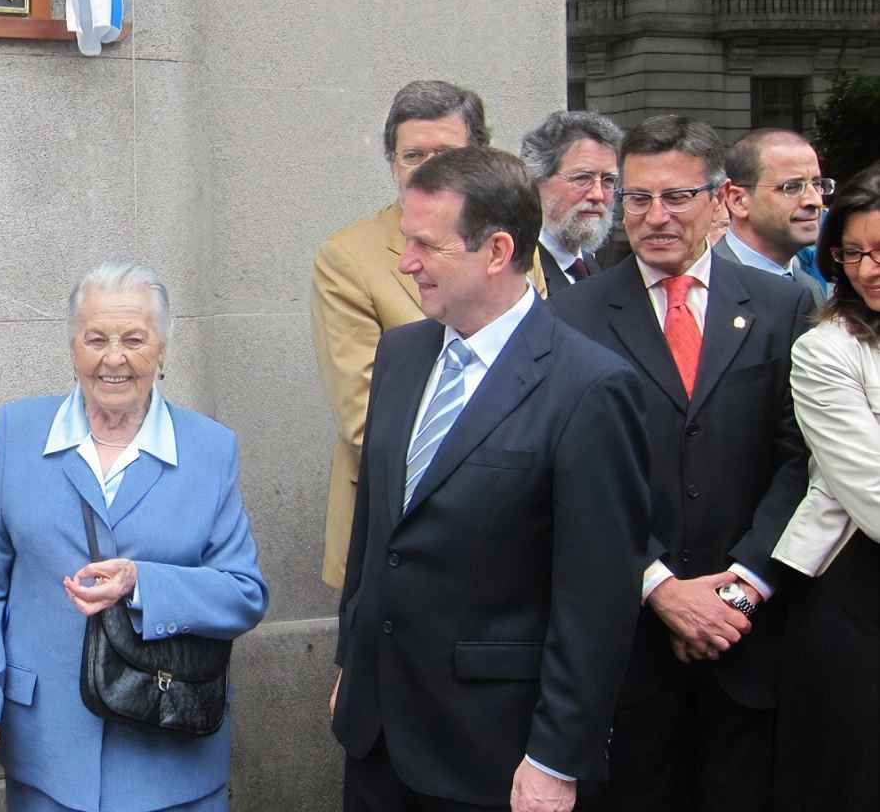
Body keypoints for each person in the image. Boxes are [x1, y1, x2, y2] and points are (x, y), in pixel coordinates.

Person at [332, 147, 650, 812]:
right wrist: (351, 664)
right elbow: (377, 529)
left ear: (497, 250)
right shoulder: (403, 353)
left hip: (494, 755)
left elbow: (596, 602)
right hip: (378, 735)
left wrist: (556, 758)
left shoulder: (588, 387)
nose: (407, 262)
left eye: (426, 245)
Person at [551, 116, 814, 812]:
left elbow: (801, 462)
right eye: (637, 199)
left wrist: (742, 588)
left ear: (721, 198)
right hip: (630, 643)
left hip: (751, 637)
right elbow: (572, 479)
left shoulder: (784, 305)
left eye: (676, 197)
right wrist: (660, 586)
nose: (654, 217)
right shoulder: (573, 316)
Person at [0, 262, 267, 812]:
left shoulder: (210, 449)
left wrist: (142, 583)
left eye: (134, 339)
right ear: (73, 346)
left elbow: (243, 594)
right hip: (48, 755)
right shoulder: (17, 433)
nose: (113, 358)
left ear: (162, 349)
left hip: (171, 756)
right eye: (96, 339)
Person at [310, 80, 547, 588]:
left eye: (445, 153)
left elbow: (540, 372)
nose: (427, 168)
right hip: (403, 525)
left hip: (517, 523)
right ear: (392, 163)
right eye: (412, 155)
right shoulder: (347, 257)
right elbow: (365, 418)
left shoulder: (512, 242)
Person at [769, 162, 880, 811]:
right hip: (854, 595)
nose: (867, 270)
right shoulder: (826, 349)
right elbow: (872, 493)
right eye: (854, 253)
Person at [714, 129, 830, 305]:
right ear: (738, 201)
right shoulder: (706, 286)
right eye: (791, 187)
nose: (814, 200)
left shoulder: (809, 287)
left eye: (817, 184)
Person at [519, 110, 624, 294]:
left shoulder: (592, 268)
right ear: (537, 179)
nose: (598, 195)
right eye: (582, 178)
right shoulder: (519, 274)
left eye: (608, 180)